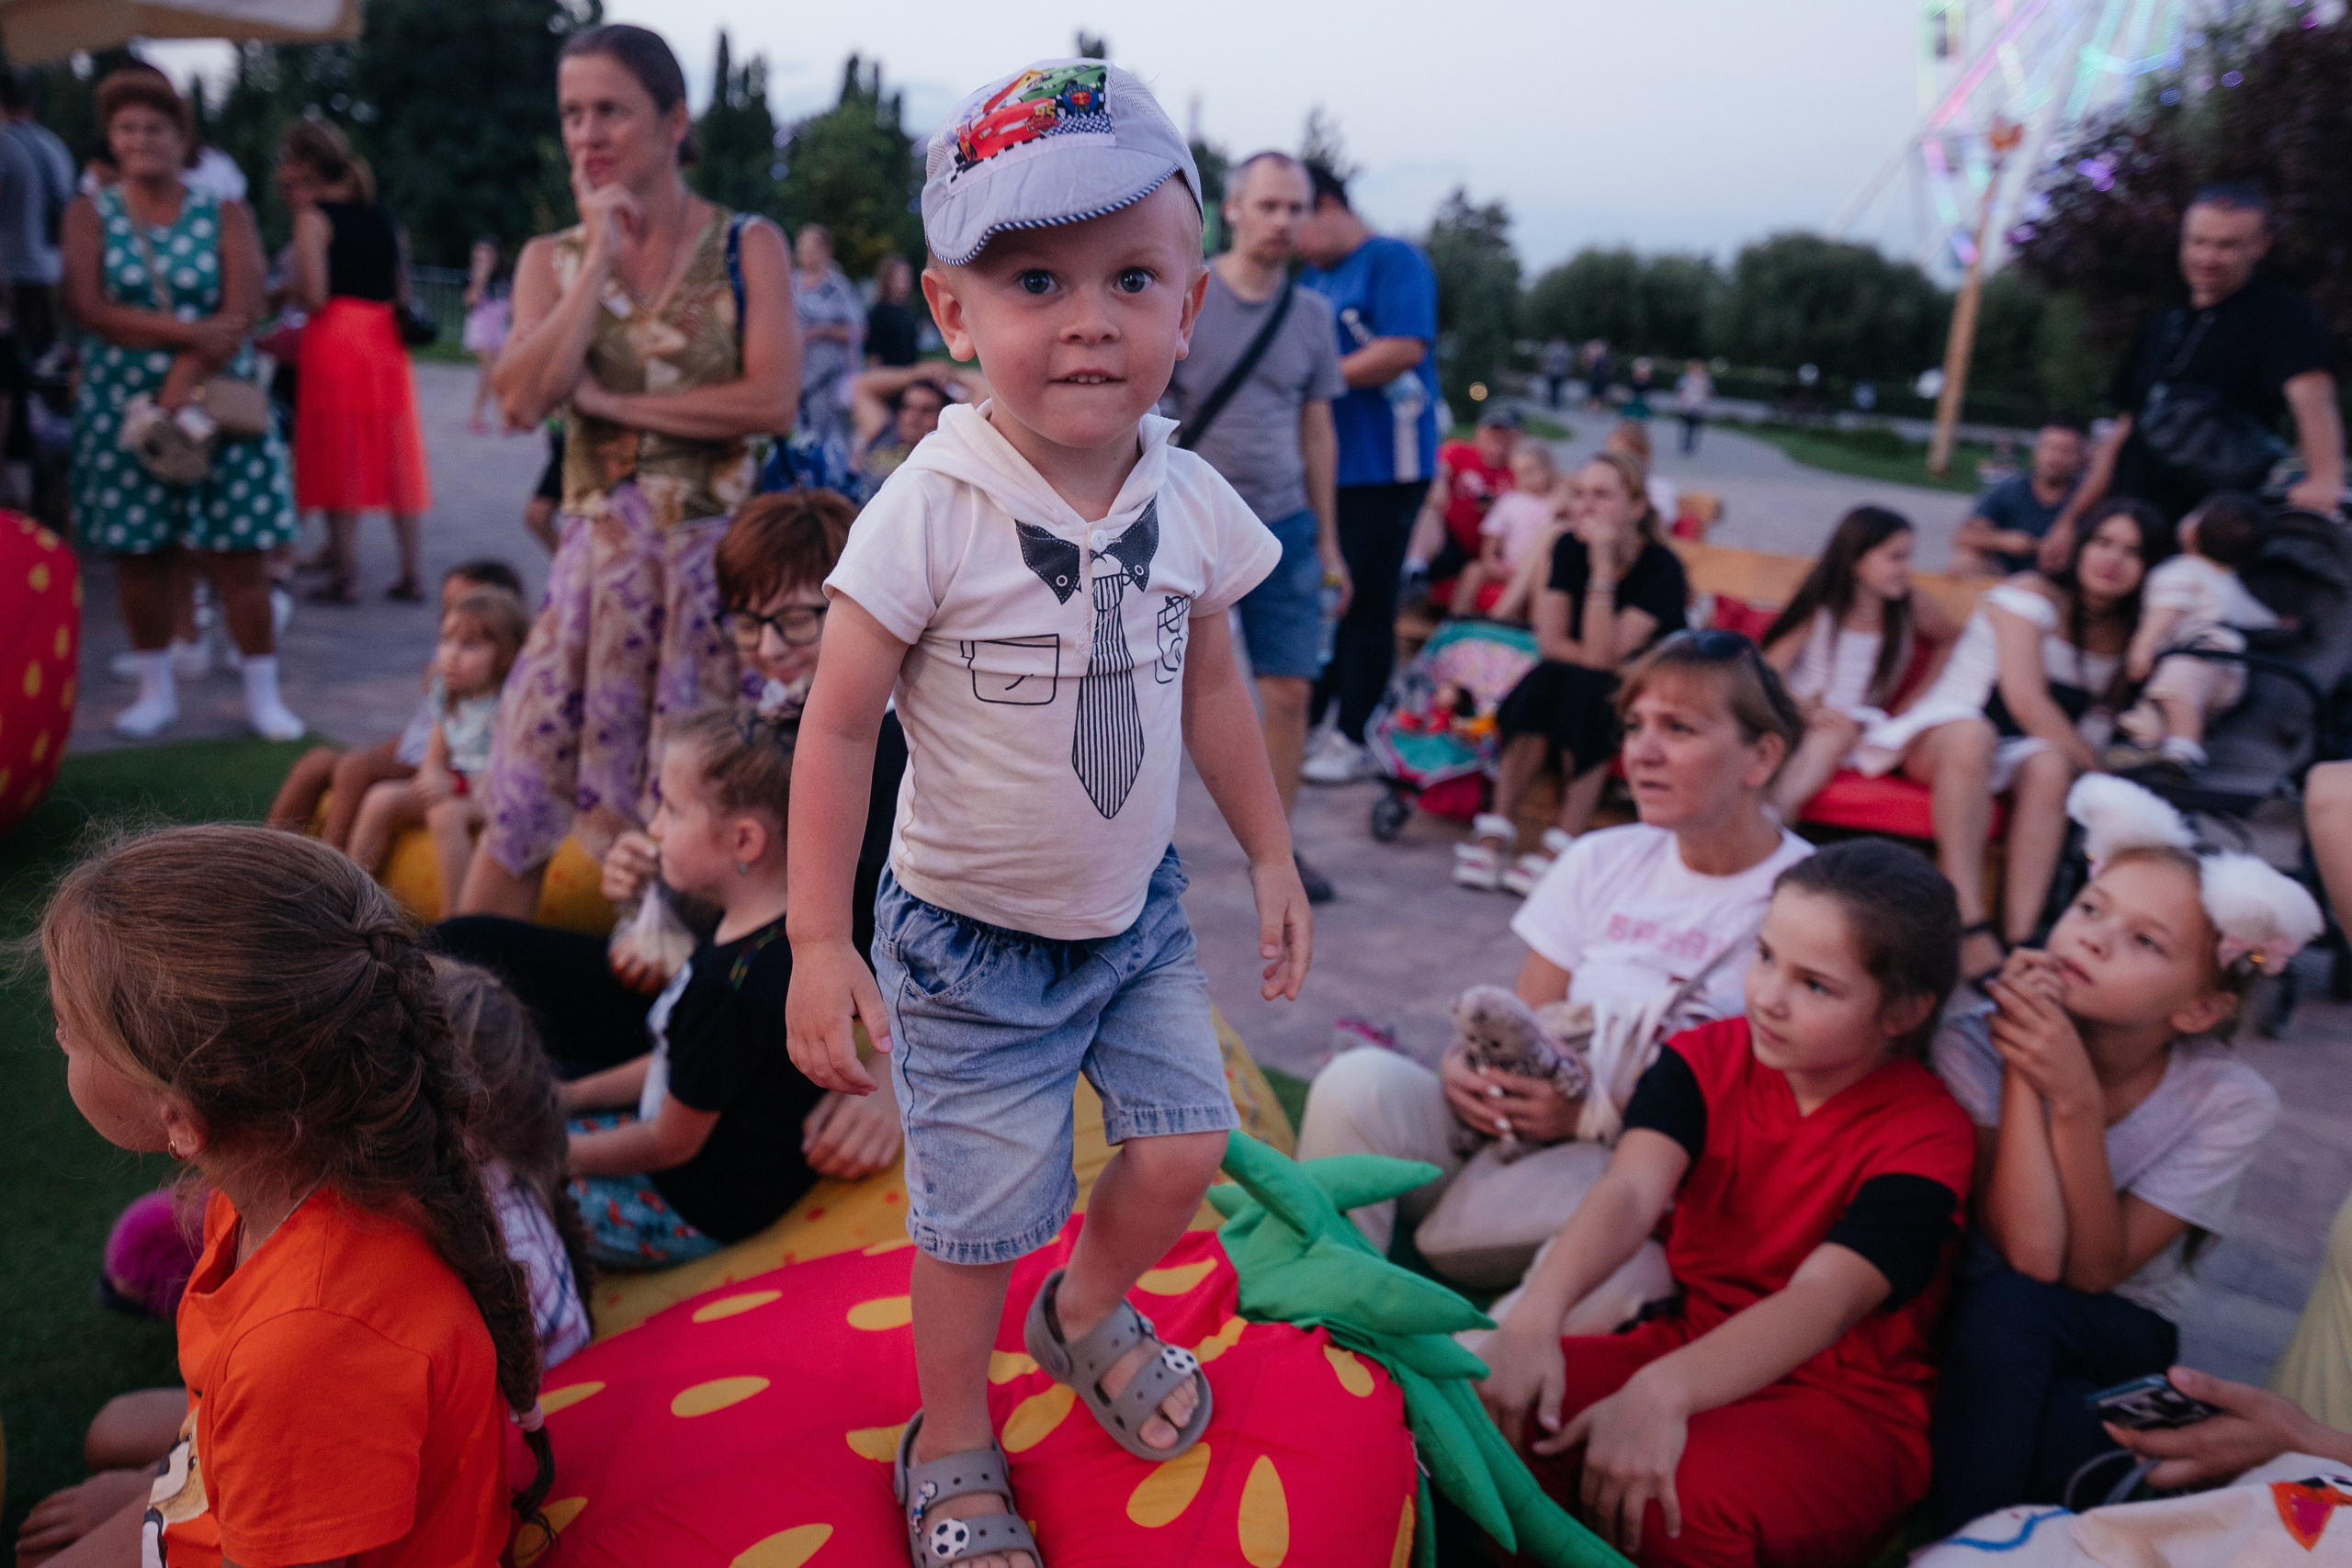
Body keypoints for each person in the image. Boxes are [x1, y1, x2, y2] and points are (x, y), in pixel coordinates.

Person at [786, 62, 1308, 1568]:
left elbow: (1215, 686)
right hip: (966, 945)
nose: (1089, 316)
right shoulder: (931, 507)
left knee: (1182, 1151)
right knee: (974, 1223)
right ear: (954, 316)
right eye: (1036, 279)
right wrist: (823, 937)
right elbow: (832, 724)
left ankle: (1085, 1313)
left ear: (1188, 306)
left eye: (1129, 277)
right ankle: (950, 1435)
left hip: (1134, 916)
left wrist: (1267, 851)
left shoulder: (1186, 493)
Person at [31, 826, 552, 1568]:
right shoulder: (288, 1181)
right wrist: (163, 1489)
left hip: (276, 1469)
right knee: (110, 1429)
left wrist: (152, 1515)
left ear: (181, 1117)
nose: (57, 1034)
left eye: (74, 1031)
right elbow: (232, 1410)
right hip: (248, 1465)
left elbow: (286, 1395)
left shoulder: (308, 1344)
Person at [1476, 840, 1973, 1567]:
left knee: (1668, 1503)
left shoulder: (1928, 1131)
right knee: (1481, 1408)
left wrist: (1661, 1391)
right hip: (1687, 1336)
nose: (1768, 993)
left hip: (1845, 1405)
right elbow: (1630, 1191)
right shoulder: (1706, 1054)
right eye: (1765, 956)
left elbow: (1825, 1299)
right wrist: (1535, 1314)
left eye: (1815, 984)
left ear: (1904, 1011)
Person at [1299, 635, 1812, 1256]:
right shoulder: (1600, 857)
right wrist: (1468, 1072)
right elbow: (1529, 1021)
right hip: (1517, 1145)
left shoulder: (1808, 903)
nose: (1641, 753)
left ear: (1761, 756)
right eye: (1633, 726)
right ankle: (1325, 1318)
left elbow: (1781, 1116)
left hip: (1643, 1168)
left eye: (1677, 728)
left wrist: (1590, 1117)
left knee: (1623, 1201)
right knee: (1359, 1083)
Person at [458, 22, 800, 920]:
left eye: (611, 109)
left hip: (710, 580)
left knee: (697, 816)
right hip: (593, 578)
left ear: (673, 119)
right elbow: (526, 398)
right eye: (572, 113)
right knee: (519, 796)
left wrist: (616, 407)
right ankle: (458, 1015)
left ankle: (668, 1035)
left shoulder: (745, 244)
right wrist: (597, 260)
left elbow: (770, 402)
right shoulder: (550, 260)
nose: (587, 132)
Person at [1926, 774, 2317, 1531]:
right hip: (1982, 1306)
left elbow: (2089, 1271)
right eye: (2090, 908)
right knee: (2057, 1423)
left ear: (2198, 1006)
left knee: (2019, 1320)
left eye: (2145, 940)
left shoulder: (2228, 1101)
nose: (2094, 938)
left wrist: (2069, 1096)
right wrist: (2021, 1067)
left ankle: (1963, 1548)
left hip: (2119, 1324)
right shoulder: (1972, 1039)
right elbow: (2030, 1249)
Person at [558, 706, 848, 1266]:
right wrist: (570, 1097)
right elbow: (680, 1061)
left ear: (744, 841)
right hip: (683, 1160)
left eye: (672, 809)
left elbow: (671, 1142)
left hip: (691, 1206)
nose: (655, 827)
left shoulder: (733, 987)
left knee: (487, 1189)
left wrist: (545, 1152)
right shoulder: (760, 929)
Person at [64, 68, 301, 743]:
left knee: (241, 550)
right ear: (112, 137)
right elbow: (87, 307)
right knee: (142, 552)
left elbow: (246, 304)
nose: (141, 141)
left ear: (181, 137)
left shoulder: (224, 211)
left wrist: (188, 366)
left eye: (155, 128)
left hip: (217, 401)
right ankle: (154, 687)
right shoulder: (89, 213)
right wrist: (189, 336)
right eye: (127, 128)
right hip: (125, 407)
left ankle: (263, 692)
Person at [1855, 499, 2167, 980]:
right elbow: (2026, 700)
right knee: (1976, 736)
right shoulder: (2031, 595)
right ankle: (1966, 919)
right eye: (2102, 542)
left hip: (2017, 752)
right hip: (1944, 733)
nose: (2112, 560)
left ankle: (2022, 937)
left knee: (2050, 766)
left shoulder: (2129, 636)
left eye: (2132, 552)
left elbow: (2093, 725)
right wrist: (2101, 775)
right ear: (2080, 547)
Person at [1161, 148, 1349, 903]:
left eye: (1295, 208)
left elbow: (1318, 431)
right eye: (1267, 205)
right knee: (1146, 684)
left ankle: (1276, 848)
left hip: (1284, 526)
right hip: (1188, 517)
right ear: (1232, 210)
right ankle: (1131, 839)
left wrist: (1330, 538)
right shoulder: (1185, 295)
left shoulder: (1311, 316)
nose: (1281, 221)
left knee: (1291, 692)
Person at [2046, 185, 2343, 557]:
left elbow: (2313, 399)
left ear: (2261, 245)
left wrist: (2325, 478)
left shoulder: (2283, 317)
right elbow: (2124, 431)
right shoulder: (2161, 324)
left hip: (2212, 532)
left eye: (2226, 245)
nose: (2208, 257)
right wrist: (2071, 520)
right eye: (2198, 241)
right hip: (2128, 527)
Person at [1456, 452, 1690, 895]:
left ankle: (1565, 839)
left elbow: (1604, 658)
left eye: (1602, 495)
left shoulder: (1661, 567)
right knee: (1549, 677)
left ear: (1637, 508)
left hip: (1651, 687)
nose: (1585, 506)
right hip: (1582, 674)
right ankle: (1497, 827)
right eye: (1579, 494)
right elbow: (1552, 642)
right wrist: (1585, 655)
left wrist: (1602, 567)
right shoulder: (1566, 547)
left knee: (1589, 687)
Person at [1293, 157, 1441, 784]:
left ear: (1327, 206)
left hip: (1387, 464)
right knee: (1326, 594)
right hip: (1329, 464)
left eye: (1292, 216)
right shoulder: (1312, 276)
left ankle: (1353, 732)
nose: (1285, 234)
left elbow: (1405, 347)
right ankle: (1312, 722)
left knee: (1367, 601)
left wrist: (1311, 380)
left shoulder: (1392, 260)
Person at [278, 118, 434, 604]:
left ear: (304, 165)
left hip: (336, 339)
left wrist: (282, 293)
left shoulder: (313, 218)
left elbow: (316, 295)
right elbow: (402, 289)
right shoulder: (383, 216)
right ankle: (410, 571)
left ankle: (343, 573)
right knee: (394, 450)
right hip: (385, 338)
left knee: (339, 448)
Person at [267, 558, 524, 848]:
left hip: (445, 771)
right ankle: (268, 858)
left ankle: (333, 866)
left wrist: (371, 763)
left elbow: (467, 743)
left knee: (355, 769)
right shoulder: (450, 659)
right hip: (414, 759)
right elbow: (422, 726)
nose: (453, 615)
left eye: (465, 603)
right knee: (317, 762)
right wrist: (373, 755)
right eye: (447, 606)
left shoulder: (490, 676)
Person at [1761, 505, 1959, 818]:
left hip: (1858, 726)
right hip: (1801, 713)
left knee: (1838, 732)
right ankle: (1774, 817)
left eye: (1909, 557)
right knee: (1832, 733)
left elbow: (1949, 640)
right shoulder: (1822, 606)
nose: (1907, 568)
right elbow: (1767, 673)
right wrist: (1806, 710)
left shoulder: (1910, 606)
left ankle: (1773, 819)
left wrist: (1914, 701)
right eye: (1895, 557)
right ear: (1855, 561)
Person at [346, 587, 530, 904]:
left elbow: (517, 764)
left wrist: (478, 784)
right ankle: (350, 897)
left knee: (446, 815)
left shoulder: (512, 702)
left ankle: (456, 921)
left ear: (506, 654)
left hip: (499, 795)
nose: (452, 655)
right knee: (380, 797)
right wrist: (431, 774)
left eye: (469, 645)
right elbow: (436, 752)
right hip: (460, 784)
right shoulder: (448, 693)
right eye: (446, 641)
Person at [2108, 491, 2275, 776]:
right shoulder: (2229, 580)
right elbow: (2255, 617)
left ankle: (2184, 752)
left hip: (2199, 655)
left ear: (2192, 533)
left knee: (2173, 695)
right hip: (2230, 670)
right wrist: (2280, 623)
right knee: (2164, 703)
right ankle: (2146, 744)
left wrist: (2143, 647)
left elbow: (2166, 611)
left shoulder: (2179, 571)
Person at [1400, 404, 1518, 617]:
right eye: (1493, 434)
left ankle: (1414, 578)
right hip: (1443, 538)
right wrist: (1440, 484)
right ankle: (1414, 570)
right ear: (1480, 433)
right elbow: (1438, 470)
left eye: (1504, 436)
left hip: (1478, 552)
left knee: (1472, 570)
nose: (1497, 442)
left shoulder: (1517, 472)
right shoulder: (1459, 453)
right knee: (1429, 507)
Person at [0, 70, 75, 365]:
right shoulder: (53, 144)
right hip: (55, 267)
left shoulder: (4, 142)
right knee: (48, 362)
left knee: (15, 365)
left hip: (13, 271)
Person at [1951, 423, 2088, 577]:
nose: (2053, 458)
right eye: (2048, 447)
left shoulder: (2086, 497)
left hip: (2058, 581)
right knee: (1965, 562)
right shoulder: (2010, 489)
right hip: (2004, 574)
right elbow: (1964, 535)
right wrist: (2005, 540)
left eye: (2064, 451)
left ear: (2080, 457)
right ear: (2036, 451)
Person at [1453, 438, 1566, 622]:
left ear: (1548, 470)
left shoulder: (1554, 504)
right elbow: (1492, 536)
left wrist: (1557, 483)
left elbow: (1565, 497)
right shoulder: (1510, 501)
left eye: (1531, 471)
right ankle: (1457, 620)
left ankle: (1515, 630)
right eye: (1519, 473)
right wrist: (1490, 560)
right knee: (1473, 570)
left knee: (1541, 579)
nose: (1525, 479)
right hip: (1505, 567)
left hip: (1534, 573)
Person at [849, 359, 989, 502]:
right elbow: (862, 385)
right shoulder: (884, 433)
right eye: (907, 407)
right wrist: (917, 374)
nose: (913, 417)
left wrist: (953, 375)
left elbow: (985, 390)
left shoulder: (949, 442)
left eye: (926, 410)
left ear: (944, 414)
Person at [792, 222, 863, 448]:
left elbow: (858, 331)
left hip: (830, 384)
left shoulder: (838, 287)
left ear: (826, 251)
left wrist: (822, 331)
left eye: (812, 247)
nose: (806, 253)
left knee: (833, 445)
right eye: (802, 247)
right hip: (795, 382)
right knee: (799, 444)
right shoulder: (788, 285)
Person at [463, 235, 512, 434]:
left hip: (498, 329)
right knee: (488, 372)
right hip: (480, 329)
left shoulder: (503, 278)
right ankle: (493, 416)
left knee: (495, 374)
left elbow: (511, 304)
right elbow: (470, 302)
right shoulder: (472, 277)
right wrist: (480, 277)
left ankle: (483, 415)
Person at [866, 253, 921, 367]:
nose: (905, 283)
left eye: (907, 277)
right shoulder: (878, 313)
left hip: (910, 375)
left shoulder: (907, 311)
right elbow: (873, 355)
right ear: (888, 280)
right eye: (901, 278)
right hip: (890, 376)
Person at [1674, 358, 1711, 456]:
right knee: (1686, 426)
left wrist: (1705, 403)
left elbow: (1708, 392)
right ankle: (1685, 444)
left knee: (1695, 427)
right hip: (1687, 405)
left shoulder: (1705, 379)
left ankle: (1691, 445)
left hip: (1698, 406)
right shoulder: (1686, 377)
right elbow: (1679, 389)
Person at [1541, 335, 1573, 410]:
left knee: (1556, 388)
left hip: (1557, 372)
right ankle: (1552, 402)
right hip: (1553, 372)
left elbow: (1567, 362)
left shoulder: (1562, 350)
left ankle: (1554, 403)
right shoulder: (1553, 349)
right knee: (1552, 388)